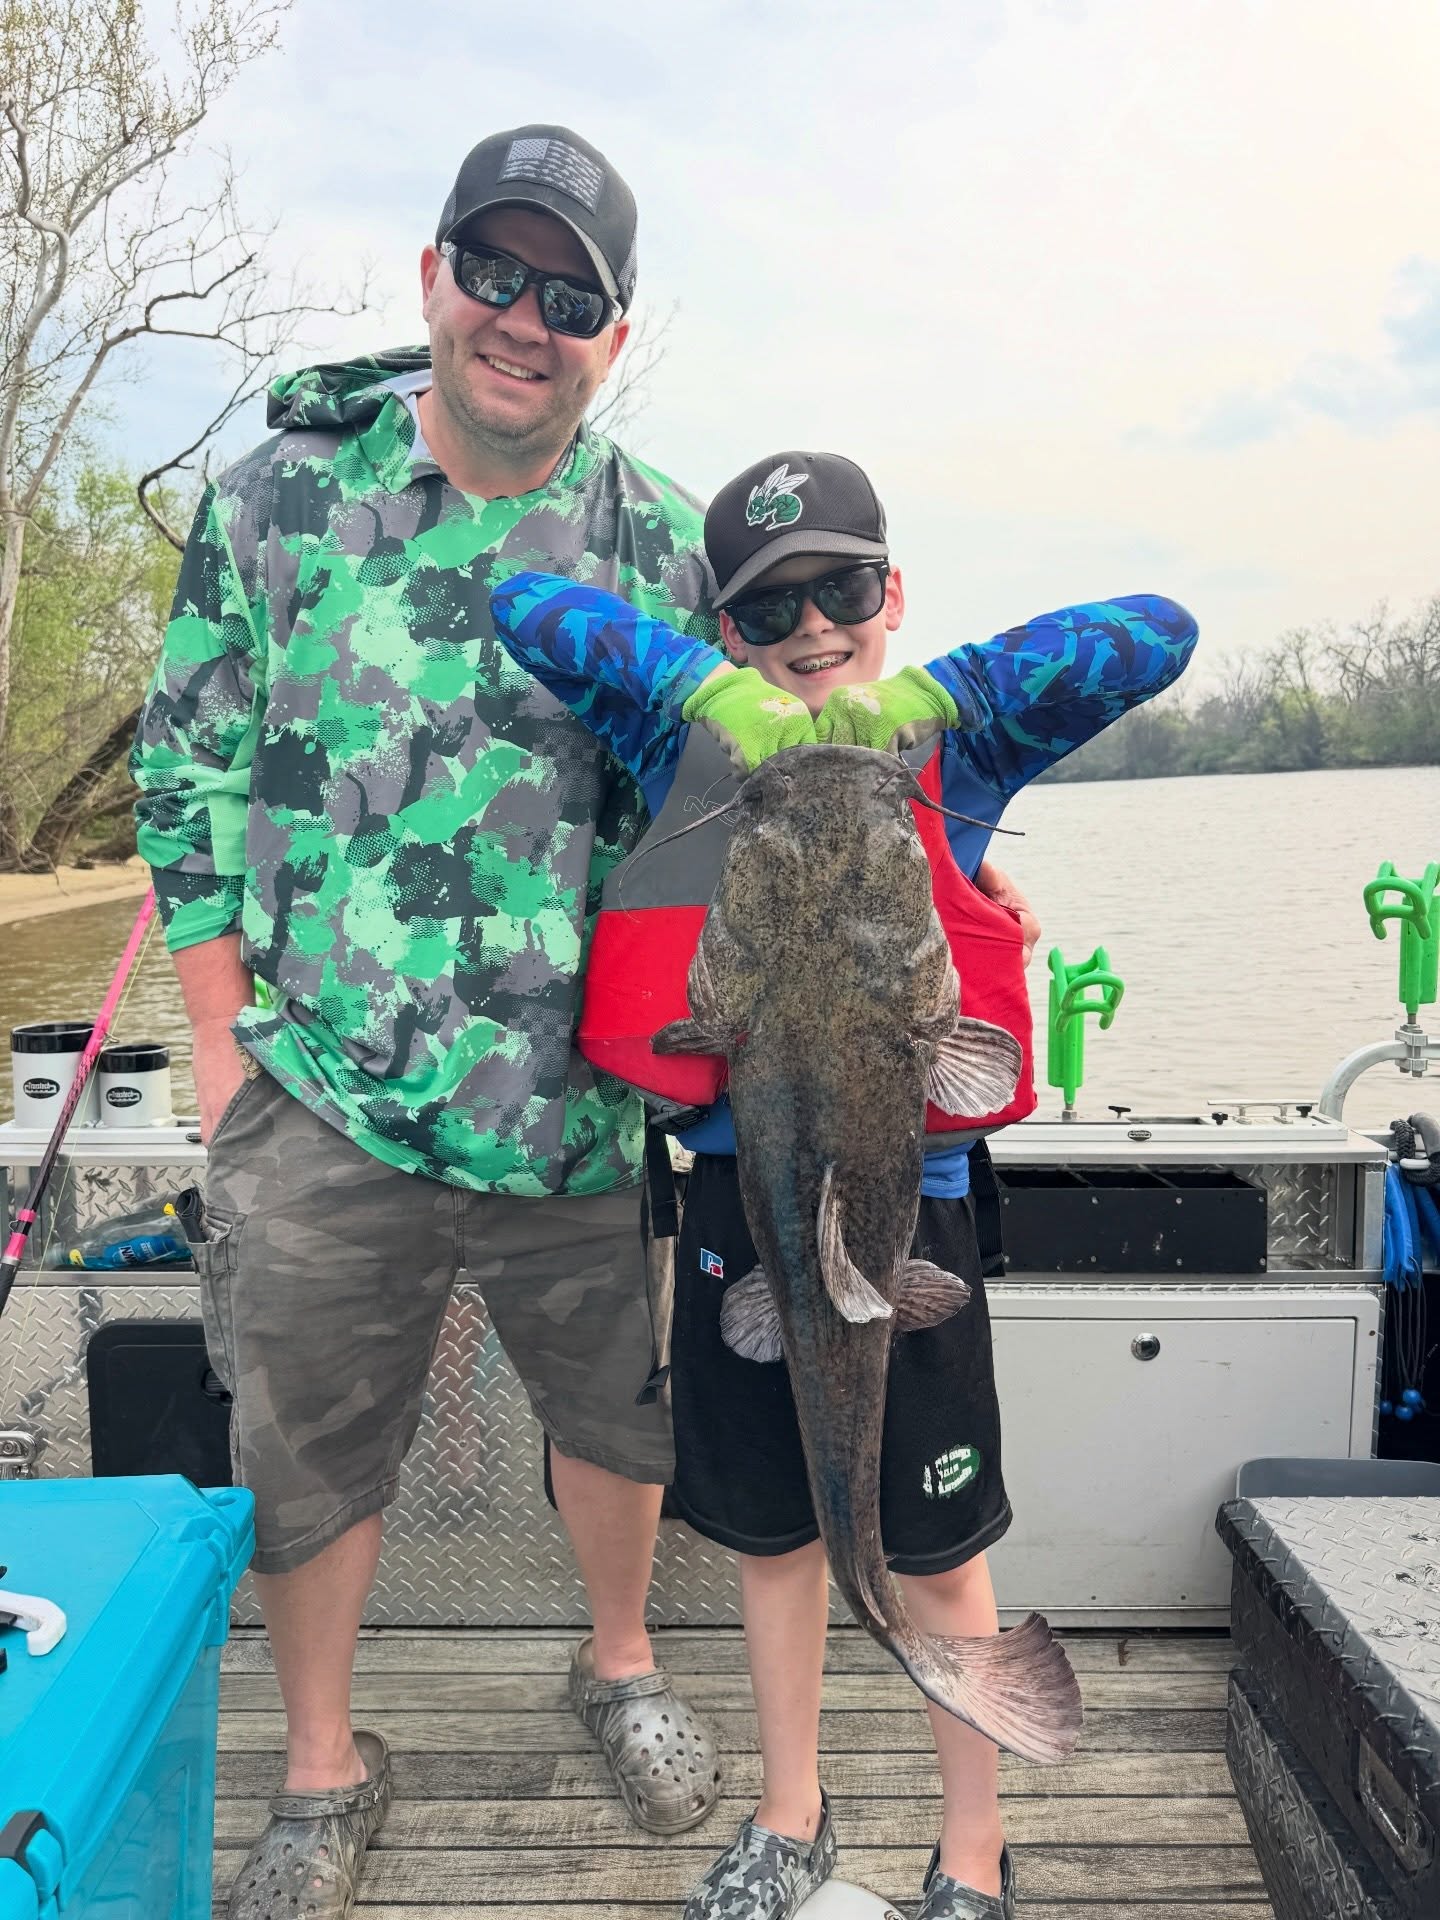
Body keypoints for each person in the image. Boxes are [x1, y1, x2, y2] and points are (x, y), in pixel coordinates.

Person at [130, 124, 812, 1920]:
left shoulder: (662, 540)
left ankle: (618, 1664)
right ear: (433, 276)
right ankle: (323, 1764)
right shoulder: (277, 495)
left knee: (617, 1422)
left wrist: (960, 893)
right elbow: (184, 765)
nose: (526, 317)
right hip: (317, 1092)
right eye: (495, 272)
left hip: (578, 1110)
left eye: (570, 294)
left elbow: (774, 800)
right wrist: (218, 1044)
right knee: (305, 1443)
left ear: (613, 330)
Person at [490, 448, 1199, 1920]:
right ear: (726, 630)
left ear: (894, 592)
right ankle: (791, 1818)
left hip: (908, 1216)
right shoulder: (686, 737)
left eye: (845, 588)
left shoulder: (965, 741)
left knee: (933, 1555)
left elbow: (1160, 629)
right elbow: (523, 604)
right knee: (776, 1537)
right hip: (737, 1221)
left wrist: (929, 697)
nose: (811, 630)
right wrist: (707, 692)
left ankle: (973, 1848)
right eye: (766, 613)